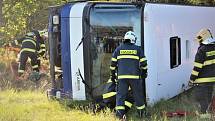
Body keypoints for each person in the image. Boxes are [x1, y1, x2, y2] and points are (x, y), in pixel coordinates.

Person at [110, 31, 147, 119]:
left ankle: (120, 116)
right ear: (133, 39)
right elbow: (144, 63)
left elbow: (112, 65)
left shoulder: (118, 49)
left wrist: (112, 76)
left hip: (121, 78)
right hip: (135, 78)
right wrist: (144, 73)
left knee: (120, 96)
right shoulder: (138, 49)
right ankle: (142, 114)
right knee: (138, 95)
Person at [189, 28, 215, 114]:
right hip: (212, 80)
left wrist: (191, 79)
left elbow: (197, 68)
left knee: (202, 99)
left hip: (202, 81)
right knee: (208, 97)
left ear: (203, 38)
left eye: (200, 40)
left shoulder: (202, 50)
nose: (199, 42)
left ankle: (204, 117)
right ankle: (210, 114)